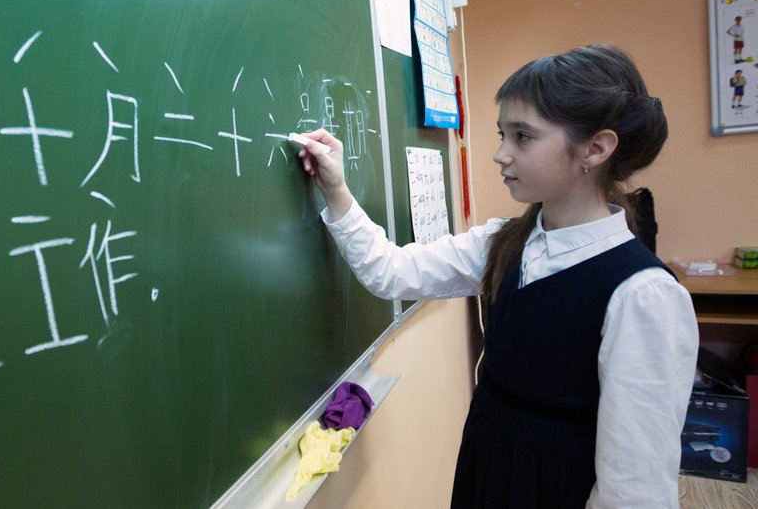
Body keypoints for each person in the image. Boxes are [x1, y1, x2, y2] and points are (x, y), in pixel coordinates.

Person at [294, 44, 698, 509]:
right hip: (487, 469)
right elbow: (392, 272)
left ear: (595, 148)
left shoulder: (643, 295)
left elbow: (634, 489)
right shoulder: (503, 243)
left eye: (523, 137)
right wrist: (336, 190)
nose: (500, 154)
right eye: (502, 134)